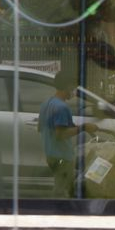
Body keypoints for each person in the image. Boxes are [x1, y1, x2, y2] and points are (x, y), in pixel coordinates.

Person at [40, 68, 97, 198]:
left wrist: (75, 127)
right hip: (63, 157)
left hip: (51, 154)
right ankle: (59, 212)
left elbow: (43, 128)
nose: (74, 91)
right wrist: (83, 128)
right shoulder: (62, 107)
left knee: (60, 185)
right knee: (62, 191)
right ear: (68, 86)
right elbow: (60, 134)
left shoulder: (46, 104)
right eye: (74, 87)